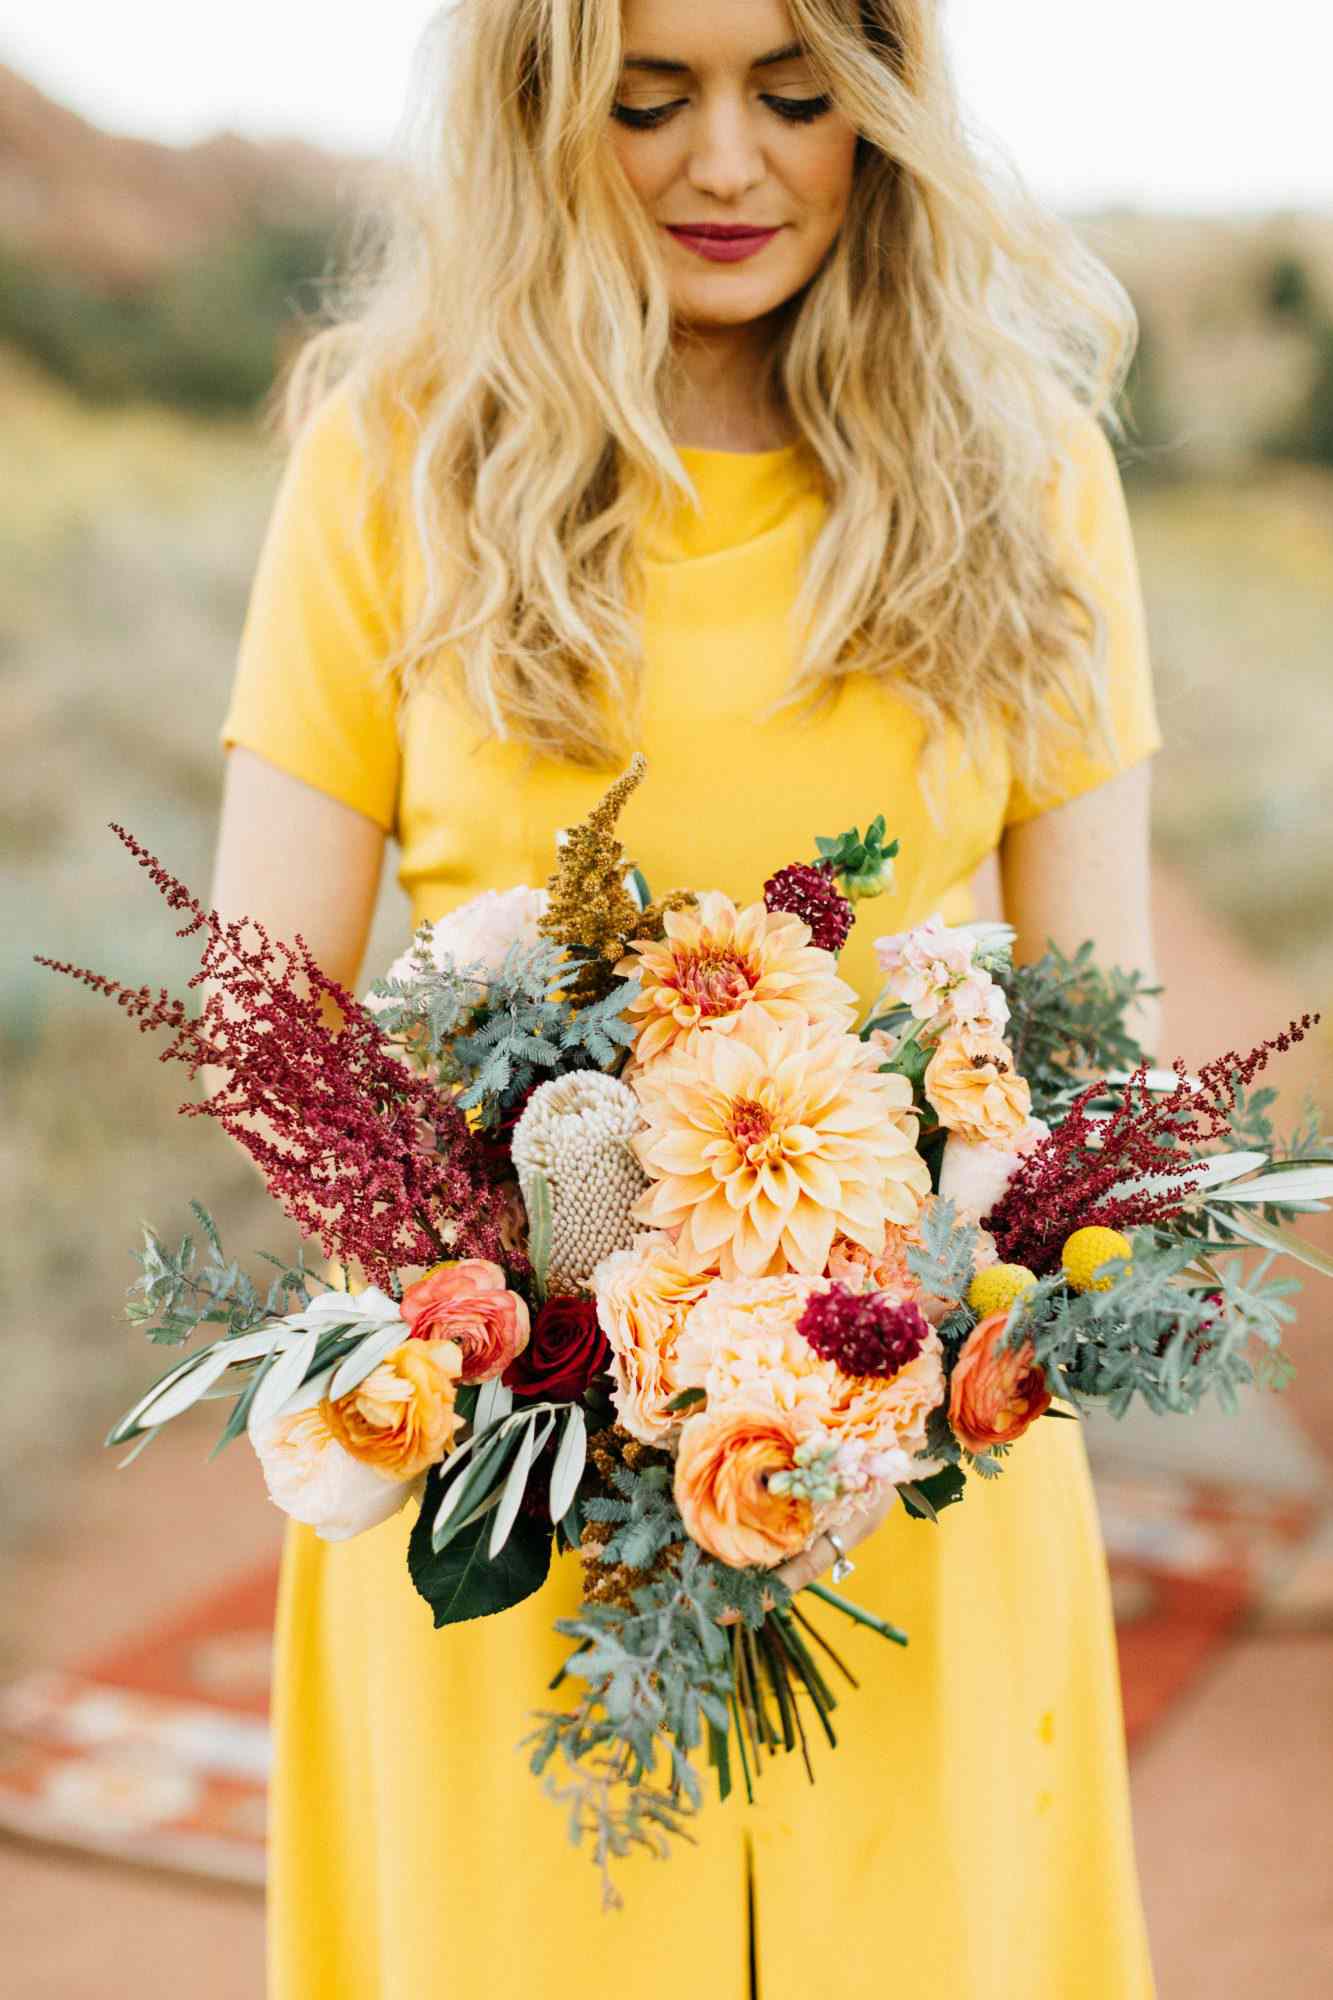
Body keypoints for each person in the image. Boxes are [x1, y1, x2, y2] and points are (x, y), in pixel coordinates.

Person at [213, 3, 1162, 1993]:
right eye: (648, 100)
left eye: (794, 95)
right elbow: (268, 1029)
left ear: (881, 110)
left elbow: (1092, 1042)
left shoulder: (1028, 476)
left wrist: (865, 1349)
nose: (728, 163)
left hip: (903, 1487)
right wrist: (566, 1358)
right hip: (517, 1505)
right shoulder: (394, 466)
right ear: (537, 114)